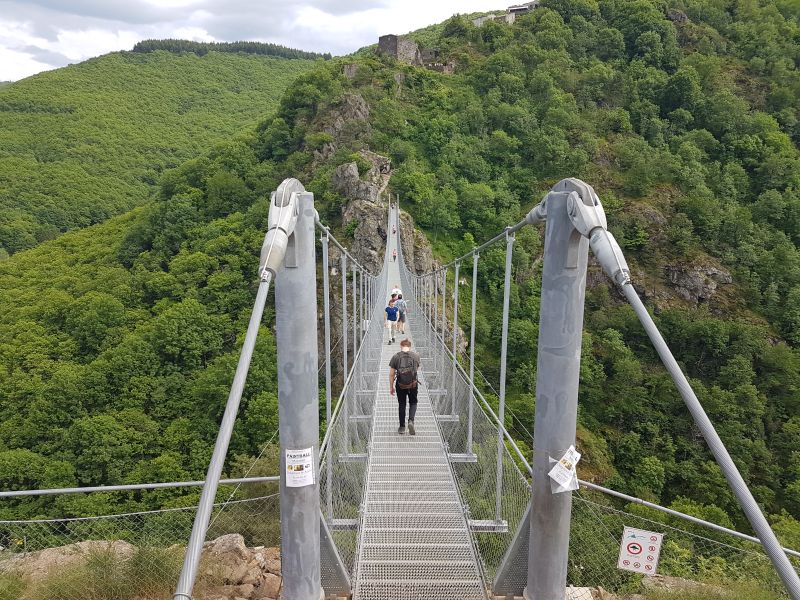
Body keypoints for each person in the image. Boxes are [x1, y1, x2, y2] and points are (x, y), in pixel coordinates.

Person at [389, 338, 420, 435]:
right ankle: (411, 421)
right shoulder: (416, 356)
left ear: (401, 346)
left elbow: (391, 374)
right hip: (413, 384)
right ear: (410, 347)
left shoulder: (396, 357)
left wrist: (391, 387)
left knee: (402, 404)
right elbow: (417, 370)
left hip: (400, 384)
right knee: (413, 402)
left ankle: (402, 427)